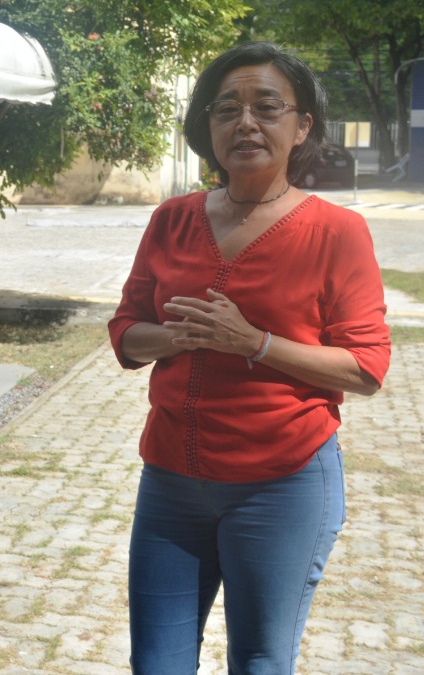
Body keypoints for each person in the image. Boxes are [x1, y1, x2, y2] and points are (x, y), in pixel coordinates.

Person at [109, 41, 392, 673]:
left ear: (302, 126)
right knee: (156, 663)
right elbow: (126, 332)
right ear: (207, 126)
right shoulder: (171, 219)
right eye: (226, 109)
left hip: (282, 483)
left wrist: (253, 343)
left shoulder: (336, 231)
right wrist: (179, 337)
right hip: (171, 481)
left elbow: (366, 367)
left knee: (260, 661)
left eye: (267, 107)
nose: (245, 123)